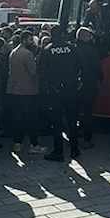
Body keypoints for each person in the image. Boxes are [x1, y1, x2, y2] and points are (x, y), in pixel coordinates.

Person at [37, 26, 82, 162]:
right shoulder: (73, 48)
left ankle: (58, 151)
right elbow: (84, 66)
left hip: (55, 90)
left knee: (56, 122)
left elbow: (40, 71)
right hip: (71, 89)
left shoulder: (47, 50)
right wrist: (78, 82)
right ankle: (74, 149)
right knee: (72, 120)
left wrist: (48, 86)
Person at [6, 31, 45, 154]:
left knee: (17, 119)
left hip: (15, 90)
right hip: (28, 90)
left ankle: (17, 143)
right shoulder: (27, 54)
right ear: (24, 40)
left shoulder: (13, 52)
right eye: (30, 40)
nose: (32, 42)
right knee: (31, 119)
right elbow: (33, 73)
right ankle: (34, 144)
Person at [74, 27, 102, 149]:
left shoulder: (73, 48)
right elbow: (96, 67)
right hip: (88, 84)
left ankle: (73, 137)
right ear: (85, 37)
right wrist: (100, 79)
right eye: (90, 36)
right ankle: (87, 139)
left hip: (74, 85)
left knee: (73, 112)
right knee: (87, 112)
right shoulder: (91, 50)